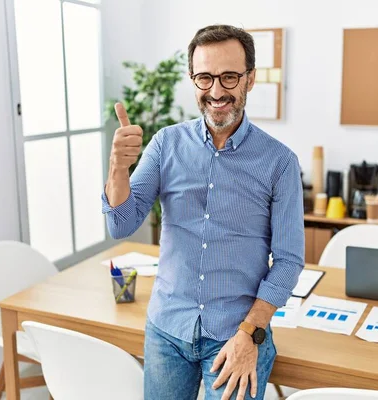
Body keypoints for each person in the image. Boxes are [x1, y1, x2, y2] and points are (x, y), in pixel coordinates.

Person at [102, 24, 304, 400]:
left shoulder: (279, 163)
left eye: (229, 77)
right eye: (205, 78)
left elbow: (289, 261)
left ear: (250, 79)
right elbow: (120, 223)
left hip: (237, 334)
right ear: (193, 80)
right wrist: (117, 167)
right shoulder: (165, 145)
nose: (216, 91)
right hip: (167, 328)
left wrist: (251, 333)